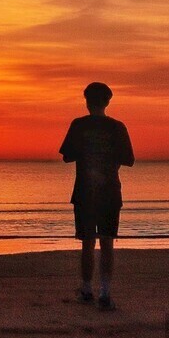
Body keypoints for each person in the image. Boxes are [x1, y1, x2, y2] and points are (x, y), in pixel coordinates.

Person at [59, 82, 134, 310]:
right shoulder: (117, 127)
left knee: (88, 242)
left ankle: (87, 289)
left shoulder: (79, 125)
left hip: (85, 191)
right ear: (108, 101)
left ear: (87, 101)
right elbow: (129, 159)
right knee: (107, 241)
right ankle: (105, 291)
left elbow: (67, 156)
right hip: (110, 191)